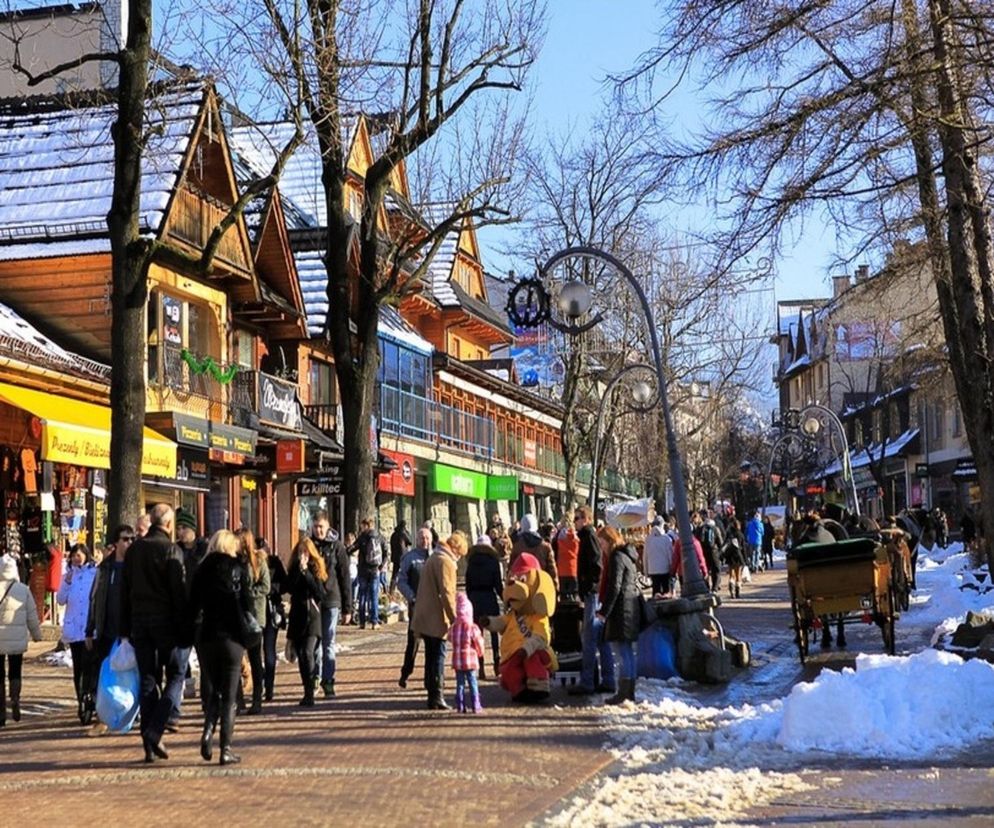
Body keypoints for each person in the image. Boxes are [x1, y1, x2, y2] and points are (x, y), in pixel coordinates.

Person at [120, 503, 188, 763]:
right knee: (176, 675)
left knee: (148, 678)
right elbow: (178, 592)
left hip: (139, 623)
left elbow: (124, 592)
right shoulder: (170, 550)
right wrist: (184, 627)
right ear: (169, 525)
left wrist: (124, 627)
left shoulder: (134, 550)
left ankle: (148, 743)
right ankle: (155, 729)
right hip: (166, 624)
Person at [189, 530, 253, 766]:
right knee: (230, 695)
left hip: (207, 636)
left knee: (214, 689)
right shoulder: (236, 568)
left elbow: (192, 605)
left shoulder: (201, 569)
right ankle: (225, 748)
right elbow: (245, 603)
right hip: (231, 637)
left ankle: (207, 731)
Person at [85, 524, 134, 732]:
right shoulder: (105, 568)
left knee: (130, 675)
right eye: (125, 539)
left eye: (132, 539)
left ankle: (130, 714)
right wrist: (90, 629)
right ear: (116, 543)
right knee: (106, 675)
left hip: (131, 631)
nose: (130, 543)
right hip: (107, 629)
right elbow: (94, 599)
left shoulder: (136, 566)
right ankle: (103, 714)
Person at [412, 533, 465, 710]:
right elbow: (447, 593)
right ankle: (437, 694)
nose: (459, 558)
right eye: (460, 554)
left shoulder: (435, 556)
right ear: (456, 550)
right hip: (436, 617)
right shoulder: (445, 561)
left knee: (430, 654)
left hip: (425, 614)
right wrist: (455, 618)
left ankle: (431, 692)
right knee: (438, 656)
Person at [568, 506, 616, 697]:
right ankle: (608, 678)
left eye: (578, 518)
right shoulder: (588, 537)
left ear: (586, 519)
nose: (575, 522)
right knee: (601, 638)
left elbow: (596, 564)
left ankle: (588, 681)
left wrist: (589, 586)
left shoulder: (588, 537)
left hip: (592, 594)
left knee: (589, 638)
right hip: (594, 592)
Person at [597, 526, 640, 705]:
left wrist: (604, 612)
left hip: (621, 609)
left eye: (602, 543)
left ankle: (624, 692)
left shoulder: (616, 557)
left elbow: (614, 587)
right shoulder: (627, 556)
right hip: (629, 607)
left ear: (609, 540)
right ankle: (628, 691)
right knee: (627, 651)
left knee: (622, 652)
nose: (601, 547)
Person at [56, 543, 99, 724]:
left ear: (86, 556)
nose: (76, 558)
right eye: (74, 555)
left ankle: (91, 700)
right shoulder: (68, 576)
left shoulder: (94, 573)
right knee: (78, 669)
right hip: (74, 629)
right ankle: (81, 700)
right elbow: (60, 599)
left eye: (79, 555)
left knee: (91, 667)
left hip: (90, 629)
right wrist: (66, 583)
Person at [311, 512, 352, 697]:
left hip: (331, 599)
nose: (318, 530)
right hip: (313, 601)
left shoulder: (337, 547)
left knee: (328, 642)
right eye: (315, 526)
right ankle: (315, 678)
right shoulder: (308, 545)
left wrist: (347, 608)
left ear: (328, 527)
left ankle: (328, 680)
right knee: (315, 643)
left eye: (321, 527)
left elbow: (345, 577)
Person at [0, 554, 42, 727]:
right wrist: (37, 634)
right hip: (17, 639)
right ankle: (15, 698)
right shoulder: (23, 590)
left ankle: (1, 712)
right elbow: (32, 615)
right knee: (15, 670)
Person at [286, 538, 327, 706]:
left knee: (307, 652)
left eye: (305, 552)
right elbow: (290, 588)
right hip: (297, 617)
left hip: (312, 617)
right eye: (300, 552)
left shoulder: (315, 568)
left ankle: (310, 691)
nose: (302, 555)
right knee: (301, 655)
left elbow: (320, 593)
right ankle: (307, 689)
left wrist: (306, 573)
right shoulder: (294, 569)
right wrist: (298, 572)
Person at [236, 529, 269, 714]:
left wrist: (249, 593)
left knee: (255, 658)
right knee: (236, 658)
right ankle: (238, 699)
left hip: (255, 616)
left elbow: (265, 586)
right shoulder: (233, 560)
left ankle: (257, 698)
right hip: (236, 614)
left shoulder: (258, 560)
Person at [464, 534, 503, 679]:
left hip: (475, 598)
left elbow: (467, 584)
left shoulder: (471, 561)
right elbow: (498, 585)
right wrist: (505, 598)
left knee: (477, 633)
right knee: (493, 632)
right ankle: (496, 662)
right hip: (489, 597)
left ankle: (480, 665)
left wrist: (470, 599)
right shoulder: (493, 561)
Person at [397, 527, 431, 688]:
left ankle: (429, 678)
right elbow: (401, 581)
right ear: (416, 539)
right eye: (421, 538)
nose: (425, 540)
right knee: (414, 642)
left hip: (433, 606)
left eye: (427, 538)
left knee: (432, 644)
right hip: (416, 606)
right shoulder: (410, 558)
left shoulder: (435, 557)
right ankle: (406, 673)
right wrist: (412, 597)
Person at [260, 536, 287, 702]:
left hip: (268, 612)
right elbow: (285, 585)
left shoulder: (272, 563)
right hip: (269, 611)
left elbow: (284, 584)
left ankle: (266, 686)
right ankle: (266, 685)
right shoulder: (274, 562)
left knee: (264, 651)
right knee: (266, 650)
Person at [448, 592, 485, 713]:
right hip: (470, 661)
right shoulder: (472, 627)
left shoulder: (454, 627)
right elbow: (479, 642)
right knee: (472, 682)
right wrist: (480, 652)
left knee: (460, 684)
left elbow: (449, 637)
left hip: (458, 661)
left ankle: (460, 704)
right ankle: (475, 704)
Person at [510, 513, 559, 593]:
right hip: (541, 585)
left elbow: (511, 569)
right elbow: (552, 569)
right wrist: (555, 588)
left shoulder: (517, 546)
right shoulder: (545, 546)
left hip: (522, 587)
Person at [354, 518, 385, 629]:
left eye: (362, 526)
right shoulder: (379, 536)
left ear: (366, 525)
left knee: (362, 595)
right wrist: (380, 567)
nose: (361, 528)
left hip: (363, 570)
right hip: (375, 570)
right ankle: (374, 622)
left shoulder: (362, 537)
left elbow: (353, 548)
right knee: (374, 596)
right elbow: (386, 552)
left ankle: (362, 622)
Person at [643, 516, 674, 596]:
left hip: (653, 570)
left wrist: (646, 573)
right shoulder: (666, 539)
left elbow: (645, 556)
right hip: (665, 569)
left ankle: (655, 607)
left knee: (655, 591)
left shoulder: (648, 539)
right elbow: (670, 555)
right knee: (666, 592)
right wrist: (672, 569)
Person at [554, 511, 580, 598]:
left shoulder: (558, 536)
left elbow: (554, 550)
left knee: (563, 597)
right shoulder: (576, 537)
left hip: (561, 570)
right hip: (573, 569)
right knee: (574, 597)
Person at [722, 519, 748, 598]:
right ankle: (737, 591)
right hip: (738, 556)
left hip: (730, 556)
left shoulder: (729, 534)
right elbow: (743, 548)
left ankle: (731, 586)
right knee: (738, 574)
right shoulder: (741, 535)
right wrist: (745, 559)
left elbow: (725, 545)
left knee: (731, 574)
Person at [389, 521, 412, 595]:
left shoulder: (393, 534)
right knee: (407, 574)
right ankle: (408, 591)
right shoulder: (403, 533)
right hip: (403, 556)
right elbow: (410, 541)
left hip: (395, 557)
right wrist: (406, 532)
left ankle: (391, 591)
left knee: (394, 575)